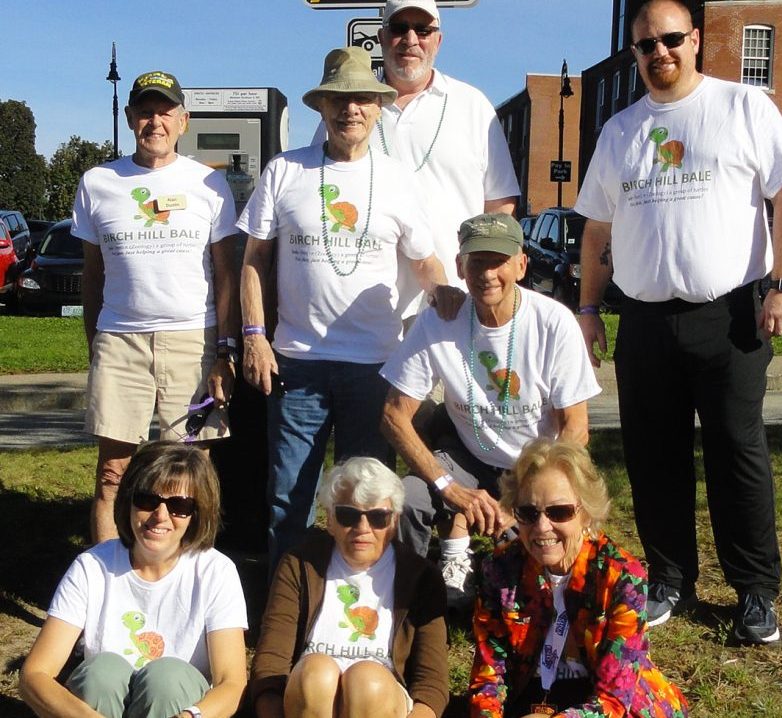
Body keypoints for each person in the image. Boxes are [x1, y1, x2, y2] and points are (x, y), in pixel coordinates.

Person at [575, 0, 782, 644]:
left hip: (730, 314)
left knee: (738, 453)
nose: (661, 53)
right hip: (646, 321)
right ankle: (670, 578)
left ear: (696, 40)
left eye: (671, 39)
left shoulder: (743, 107)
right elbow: (598, 226)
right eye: (646, 45)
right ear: (635, 55)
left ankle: (755, 592)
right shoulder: (620, 131)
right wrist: (589, 308)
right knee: (655, 456)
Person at [238, 47, 449, 572]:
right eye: (338, 99)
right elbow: (253, 261)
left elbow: (426, 264)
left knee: (368, 502)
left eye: (360, 99)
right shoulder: (285, 170)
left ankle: (362, 609)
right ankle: (285, 610)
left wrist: (449, 313)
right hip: (296, 364)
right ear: (321, 107)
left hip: (375, 367)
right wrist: (254, 335)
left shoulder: (399, 179)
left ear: (378, 108)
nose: (349, 109)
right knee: (288, 499)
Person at [381, 213, 600, 606]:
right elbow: (393, 415)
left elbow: (575, 428)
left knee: (534, 572)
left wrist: (524, 499)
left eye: (498, 261)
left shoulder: (553, 323)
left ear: (521, 263)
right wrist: (451, 490)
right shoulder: (439, 320)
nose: (487, 274)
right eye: (477, 262)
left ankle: (533, 582)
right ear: (461, 267)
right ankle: (405, 598)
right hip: (466, 456)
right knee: (410, 497)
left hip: (536, 461)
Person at [75, 69, 240, 544]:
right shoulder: (98, 182)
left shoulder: (209, 184)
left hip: (193, 341)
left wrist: (225, 352)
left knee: (190, 477)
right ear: (130, 119)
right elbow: (92, 275)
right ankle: (106, 589)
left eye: (164, 112)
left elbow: (226, 274)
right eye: (145, 112)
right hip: (120, 339)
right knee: (113, 473)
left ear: (183, 120)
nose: (155, 122)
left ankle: (186, 583)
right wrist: (97, 343)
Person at [316, 0, 520, 317]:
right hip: (363, 310)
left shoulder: (472, 106)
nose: (411, 40)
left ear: (437, 40)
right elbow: (319, 187)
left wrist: (485, 279)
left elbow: (499, 206)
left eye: (423, 30)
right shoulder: (348, 111)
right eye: (399, 29)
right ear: (382, 38)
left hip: (453, 302)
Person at [19, 441, 248, 718]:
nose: (160, 516)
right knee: (101, 673)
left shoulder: (216, 572)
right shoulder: (92, 566)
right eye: (147, 500)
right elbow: (35, 674)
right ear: (128, 501)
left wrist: (190, 716)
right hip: (102, 706)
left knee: (167, 679)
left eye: (179, 505)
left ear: (197, 514)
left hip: (176, 704)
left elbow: (232, 683)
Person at [469, 438, 688, 718]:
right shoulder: (499, 570)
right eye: (528, 512)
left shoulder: (621, 576)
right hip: (530, 696)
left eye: (559, 512)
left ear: (585, 513)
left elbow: (614, 699)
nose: (542, 527)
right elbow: (489, 678)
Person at [250, 457, 448, 718]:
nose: (362, 528)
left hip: (382, 700)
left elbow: (431, 684)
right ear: (330, 519)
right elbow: (270, 665)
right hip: (308, 699)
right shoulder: (299, 564)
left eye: (378, 517)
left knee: (367, 680)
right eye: (348, 515)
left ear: (394, 521)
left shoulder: (421, 576)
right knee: (317, 673)